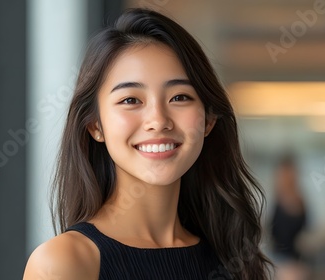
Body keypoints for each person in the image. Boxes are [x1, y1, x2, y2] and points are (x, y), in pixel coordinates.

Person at [23, 8, 271, 280]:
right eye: (131, 100)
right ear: (95, 125)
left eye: (179, 97)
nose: (158, 120)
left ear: (209, 120)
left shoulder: (233, 257)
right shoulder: (64, 263)